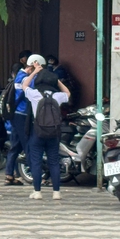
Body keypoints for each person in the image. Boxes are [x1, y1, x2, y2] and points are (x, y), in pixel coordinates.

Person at [22, 55, 70, 200]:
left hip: (38, 132)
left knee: (36, 161)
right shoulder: (58, 96)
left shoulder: (35, 94)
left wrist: (34, 72)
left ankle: (37, 192)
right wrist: (58, 81)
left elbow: (24, 85)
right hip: (54, 133)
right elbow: (68, 93)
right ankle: (56, 192)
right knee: (54, 161)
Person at [4, 62, 33, 185]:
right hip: (22, 114)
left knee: (15, 145)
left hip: (16, 115)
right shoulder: (25, 77)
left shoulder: (18, 76)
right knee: (28, 145)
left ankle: (9, 174)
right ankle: (36, 174)